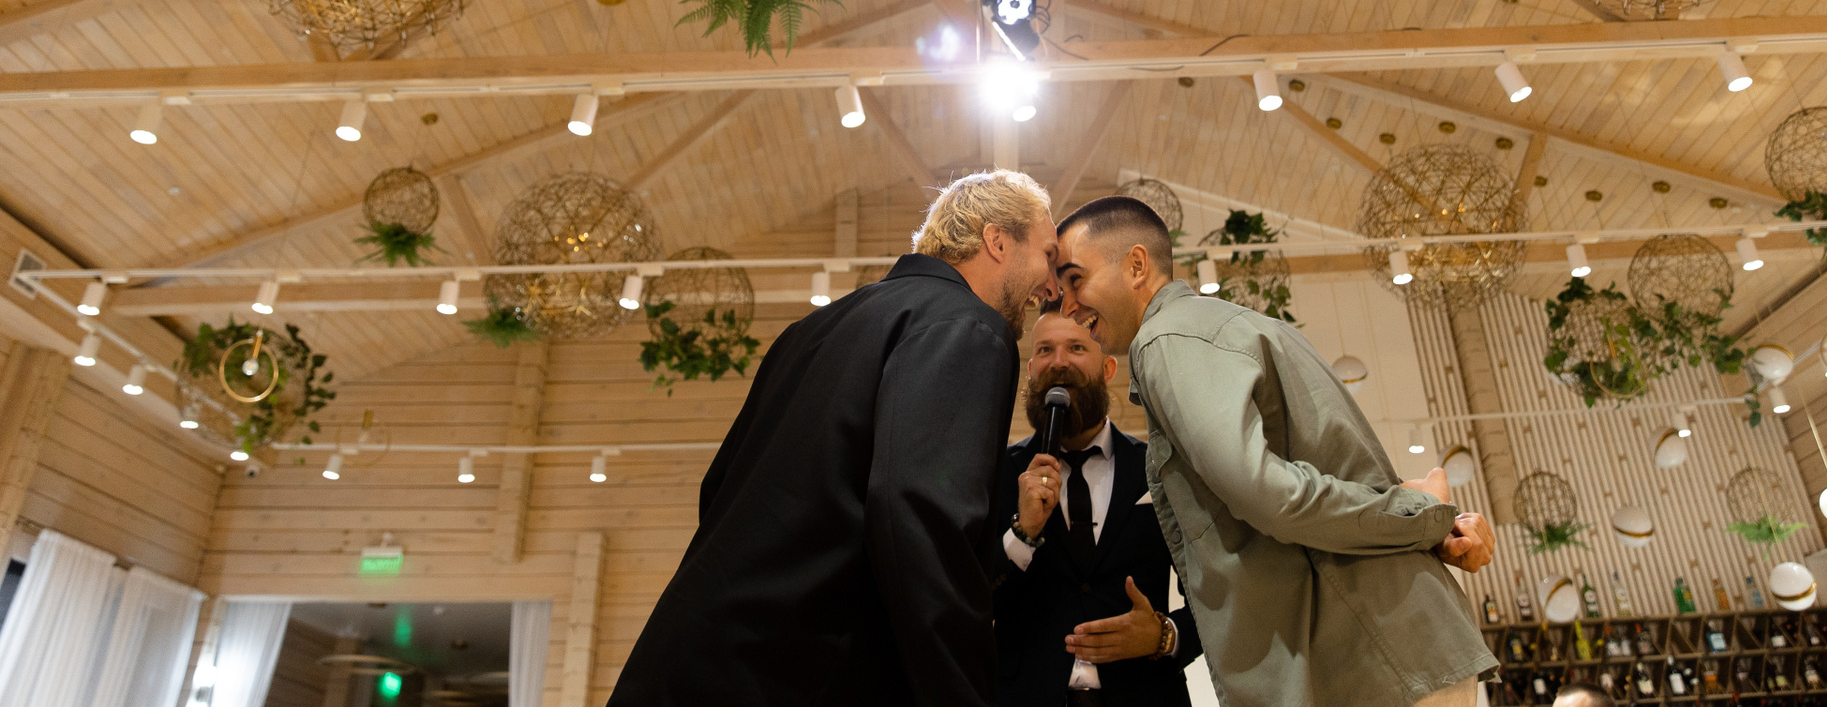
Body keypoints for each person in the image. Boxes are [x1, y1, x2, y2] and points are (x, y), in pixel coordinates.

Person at [605, 170, 1061, 707]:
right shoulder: (967, 325)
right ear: (997, 240)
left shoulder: (810, 330)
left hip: (683, 660)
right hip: (797, 676)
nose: (1053, 288)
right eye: (1049, 256)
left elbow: (721, 486)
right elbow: (921, 513)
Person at [1055, 196, 1498, 707]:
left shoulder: (1165, 338)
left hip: (1373, 659)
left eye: (1075, 280)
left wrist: (1423, 515)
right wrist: (1424, 517)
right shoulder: (1233, 326)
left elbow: (1269, 494)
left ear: (1136, 265)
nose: (1067, 306)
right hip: (1386, 649)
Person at [991, 308, 1202, 707]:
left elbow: (1215, 593)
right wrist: (1023, 534)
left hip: (1146, 695)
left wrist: (1165, 635)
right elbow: (973, 600)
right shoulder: (998, 474)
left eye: (1075, 348)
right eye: (1045, 350)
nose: (1059, 362)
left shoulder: (1159, 468)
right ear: (1031, 372)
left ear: (1108, 369)